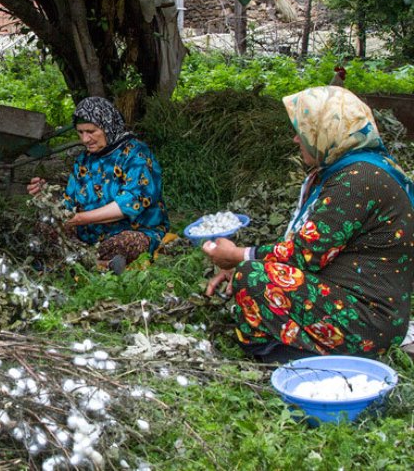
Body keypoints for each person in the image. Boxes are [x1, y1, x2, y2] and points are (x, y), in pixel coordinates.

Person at [203, 86, 414, 362]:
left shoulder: (357, 180)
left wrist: (236, 257)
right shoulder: (356, 169)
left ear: (327, 130)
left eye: (302, 130)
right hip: (367, 308)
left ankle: (287, 355)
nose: (295, 139)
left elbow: (303, 255)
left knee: (251, 277)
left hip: (367, 322)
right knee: (253, 273)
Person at [28, 96, 170, 272]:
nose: (85, 139)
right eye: (80, 132)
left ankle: (69, 261)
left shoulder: (135, 154)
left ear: (108, 126)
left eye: (91, 131)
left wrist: (80, 219)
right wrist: (47, 196)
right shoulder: (84, 160)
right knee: (44, 226)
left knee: (127, 243)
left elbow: (131, 203)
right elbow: (69, 203)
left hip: (131, 230)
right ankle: (97, 264)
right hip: (89, 233)